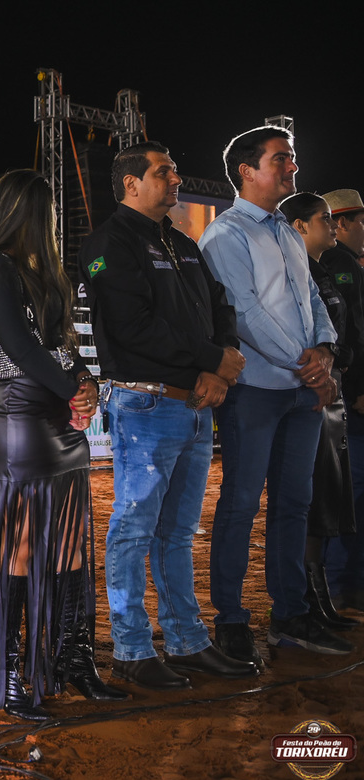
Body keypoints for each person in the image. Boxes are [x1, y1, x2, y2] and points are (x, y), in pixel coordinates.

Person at [81, 142, 256, 691]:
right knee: (134, 529)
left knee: (177, 533)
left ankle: (187, 642)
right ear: (131, 183)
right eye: (164, 171)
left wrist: (218, 367)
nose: (176, 178)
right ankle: (132, 650)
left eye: (176, 169)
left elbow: (220, 308)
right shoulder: (108, 243)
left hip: (195, 403)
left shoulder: (181, 242)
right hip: (147, 404)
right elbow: (132, 326)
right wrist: (211, 360)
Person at [0, 170, 113, 721]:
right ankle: (4, 672)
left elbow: (62, 343)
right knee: (18, 546)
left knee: (68, 545)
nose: (53, 220)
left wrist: (86, 382)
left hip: (52, 415)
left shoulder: (46, 273)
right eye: (47, 210)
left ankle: (71, 660)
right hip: (14, 413)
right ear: (32, 213)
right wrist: (73, 389)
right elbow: (21, 346)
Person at [198, 126, 352, 663]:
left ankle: (290, 616)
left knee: (295, 504)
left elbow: (311, 297)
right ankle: (231, 620)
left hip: (297, 390)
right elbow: (244, 314)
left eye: (291, 157)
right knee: (240, 505)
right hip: (256, 391)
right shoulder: (225, 234)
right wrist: (308, 364)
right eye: (281, 159)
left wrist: (324, 350)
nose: (292, 167)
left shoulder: (286, 231)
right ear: (246, 170)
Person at [279, 192, 361, 631]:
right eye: (324, 219)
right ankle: (305, 598)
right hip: (310, 390)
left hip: (330, 389)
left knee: (326, 496)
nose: (332, 227)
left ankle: (318, 594)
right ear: (300, 226)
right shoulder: (298, 271)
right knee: (308, 498)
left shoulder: (321, 270)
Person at [320, 189, 364, 612]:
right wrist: (358, 387)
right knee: (349, 491)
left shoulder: (344, 264)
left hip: (345, 392)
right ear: (343, 222)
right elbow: (350, 332)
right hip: (349, 398)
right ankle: (341, 583)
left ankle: (345, 583)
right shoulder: (341, 265)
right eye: (361, 221)